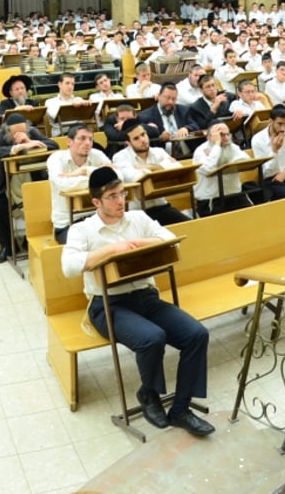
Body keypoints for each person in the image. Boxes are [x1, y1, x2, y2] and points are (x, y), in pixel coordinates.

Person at [61, 167, 214, 437]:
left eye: (122, 193)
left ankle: (181, 409)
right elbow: (69, 266)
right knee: (152, 338)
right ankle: (149, 393)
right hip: (108, 305)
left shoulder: (138, 218)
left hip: (146, 298)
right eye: (112, 196)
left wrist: (137, 242)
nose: (121, 200)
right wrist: (110, 249)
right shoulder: (82, 229)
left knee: (197, 334)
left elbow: (168, 238)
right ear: (96, 202)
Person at [0, 113, 59, 263]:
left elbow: (54, 145)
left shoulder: (32, 132)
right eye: (15, 133)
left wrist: (30, 141)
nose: (20, 134)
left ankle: (35, 239)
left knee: (45, 199)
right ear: (7, 130)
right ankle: (8, 245)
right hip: (1, 182)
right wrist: (19, 146)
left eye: (23, 131)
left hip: (31, 178)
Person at [111, 119, 190, 225]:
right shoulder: (120, 157)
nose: (143, 140)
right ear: (128, 143)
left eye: (143, 134)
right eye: (136, 138)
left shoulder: (159, 151)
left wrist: (147, 167)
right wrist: (162, 167)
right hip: (138, 212)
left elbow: (177, 167)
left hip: (162, 206)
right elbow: (136, 177)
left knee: (190, 226)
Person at [46, 125, 112, 244]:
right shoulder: (56, 159)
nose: (87, 143)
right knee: (91, 243)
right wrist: (97, 178)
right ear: (69, 142)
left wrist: (85, 170)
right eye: (81, 138)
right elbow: (63, 184)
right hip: (68, 224)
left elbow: (117, 177)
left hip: (98, 218)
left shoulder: (97, 154)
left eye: (90, 139)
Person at [191, 122, 251, 215]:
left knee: (251, 216)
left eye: (228, 134)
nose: (226, 138)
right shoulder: (200, 151)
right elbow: (209, 169)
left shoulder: (232, 146)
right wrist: (217, 145)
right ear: (210, 137)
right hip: (211, 199)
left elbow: (247, 161)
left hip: (234, 194)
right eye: (221, 135)